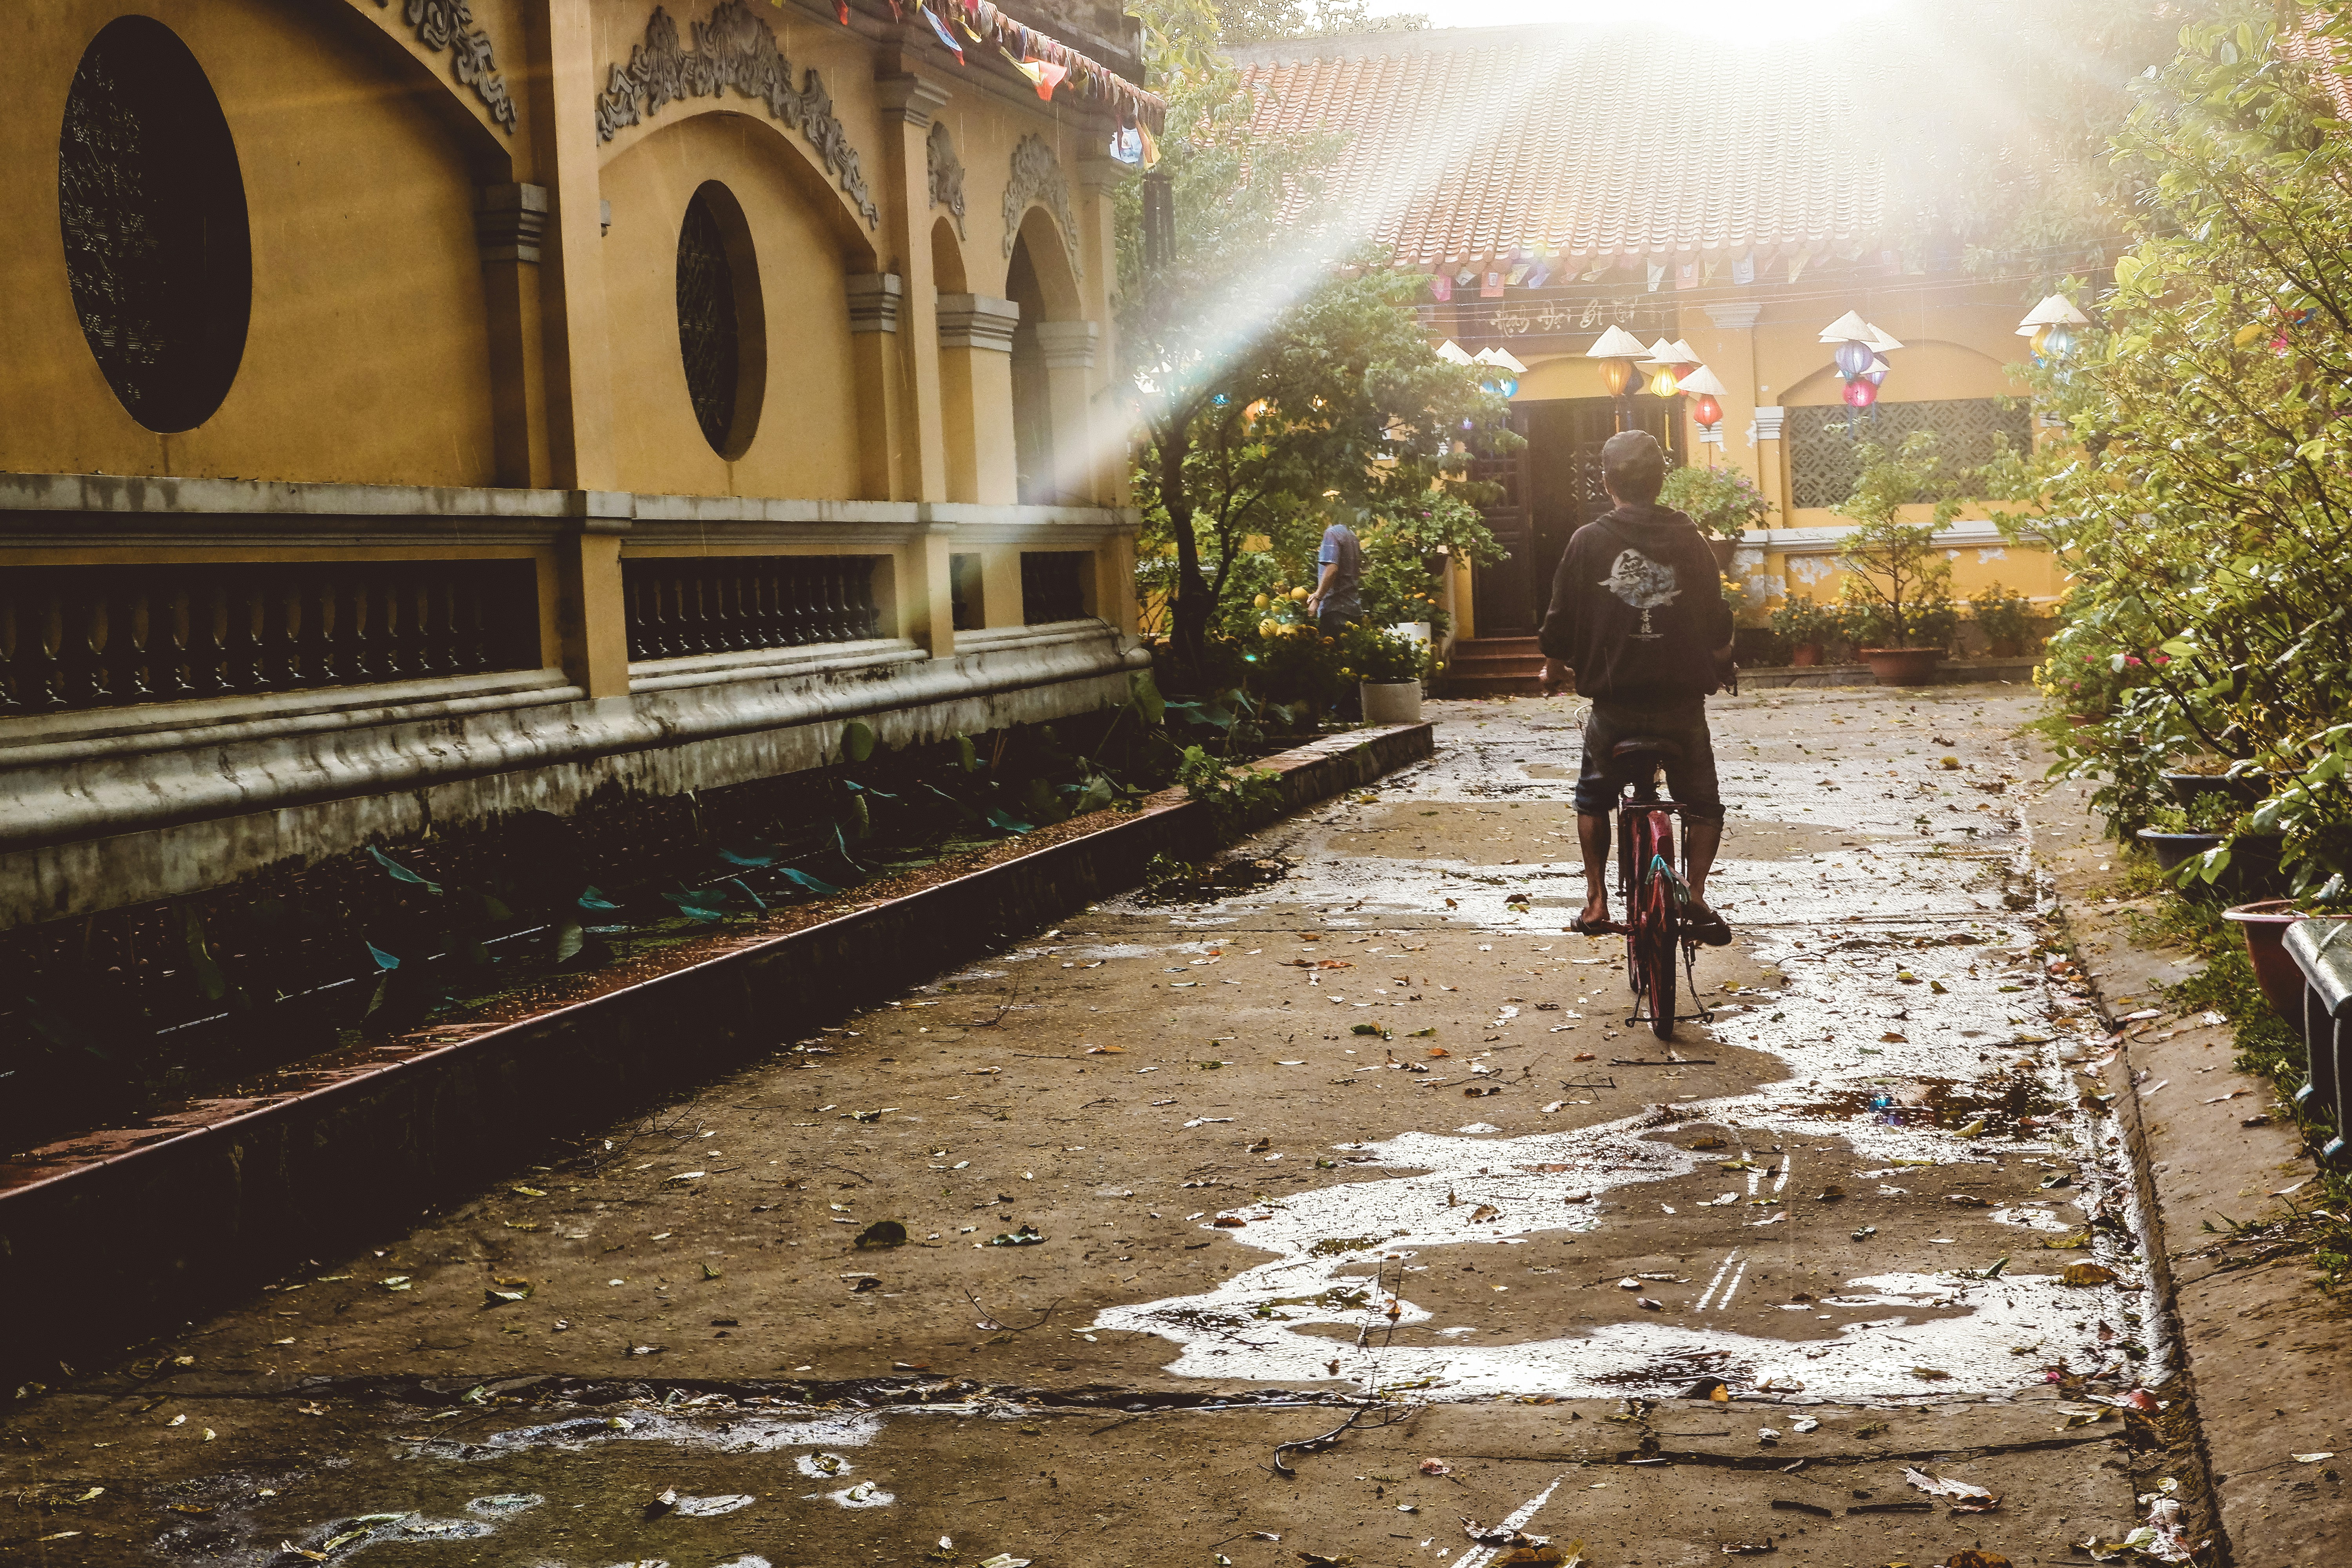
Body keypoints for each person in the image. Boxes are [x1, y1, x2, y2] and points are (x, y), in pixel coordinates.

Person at [1537, 430, 1735, 943]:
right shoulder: (1691, 541)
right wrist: (1720, 661)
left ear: (1607, 482)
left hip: (1615, 707)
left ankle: (1596, 901)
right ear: (1661, 480)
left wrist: (1553, 667)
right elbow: (1717, 620)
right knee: (1704, 804)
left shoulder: (1587, 542)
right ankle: (1693, 892)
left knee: (1592, 799)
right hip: (1682, 706)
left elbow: (1559, 621)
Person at [1304, 503, 1365, 718]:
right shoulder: (1352, 537)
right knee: (1349, 661)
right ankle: (1352, 708)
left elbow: (1331, 568)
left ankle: (1338, 710)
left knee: (1334, 662)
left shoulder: (1332, 534)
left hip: (1336, 608)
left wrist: (1317, 598)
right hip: (1353, 608)